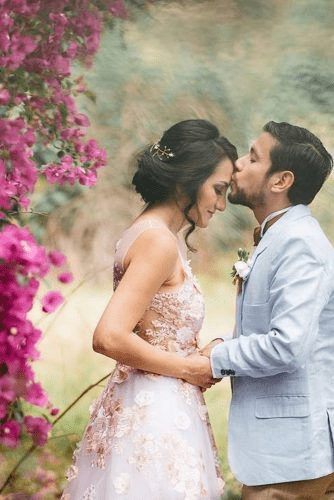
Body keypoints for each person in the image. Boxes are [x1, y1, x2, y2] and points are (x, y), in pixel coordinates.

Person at [61, 119, 237, 500]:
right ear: (185, 180)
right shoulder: (157, 241)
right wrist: (189, 367)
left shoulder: (146, 232)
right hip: (155, 417)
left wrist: (200, 352)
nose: (221, 205)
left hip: (147, 401)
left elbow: (153, 326)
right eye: (218, 190)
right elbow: (109, 336)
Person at [202, 121, 334, 500]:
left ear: (281, 181)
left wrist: (215, 358)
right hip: (293, 455)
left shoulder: (299, 244)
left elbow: (287, 345)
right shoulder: (279, 236)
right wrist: (218, 342)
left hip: (293, 458)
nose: (238, 164)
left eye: (253, 157)